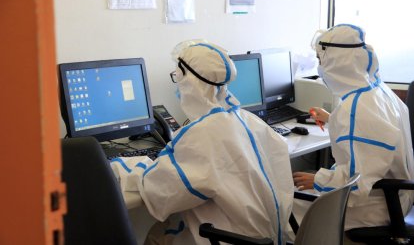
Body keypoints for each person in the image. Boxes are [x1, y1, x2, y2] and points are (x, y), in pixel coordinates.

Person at [134, 41, 294, 245]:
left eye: (177, 77)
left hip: (228, 237)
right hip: (268, 237)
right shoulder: (248, 120)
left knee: (157, 234)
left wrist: (125, 168)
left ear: (188, 82)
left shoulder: (201, 134)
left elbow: (159, 192)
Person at [292, 24, 414, 231]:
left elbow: (358, 180)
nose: (320, 68)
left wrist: (318, 179)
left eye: (321, 61)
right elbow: (375, 134)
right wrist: (333, 119)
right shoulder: (377, 90)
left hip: (372, 208)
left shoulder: (356, 108)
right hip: (395, 197)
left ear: (337, 63)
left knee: (286, 209)